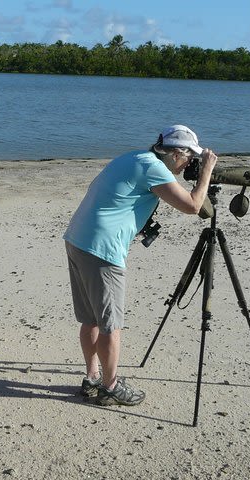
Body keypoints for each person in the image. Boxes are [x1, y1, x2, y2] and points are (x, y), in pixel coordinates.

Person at [63, 125, 218, 407]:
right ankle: (109, 387)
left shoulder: (134, 157)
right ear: (175, 153)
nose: (188, 165)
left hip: (78, 239)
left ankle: (93, 378)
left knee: (91, 319)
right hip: (102, 249)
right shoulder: (154, 169)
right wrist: (207, 171)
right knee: (110, 324)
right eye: (188, 158)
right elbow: (194, 206)